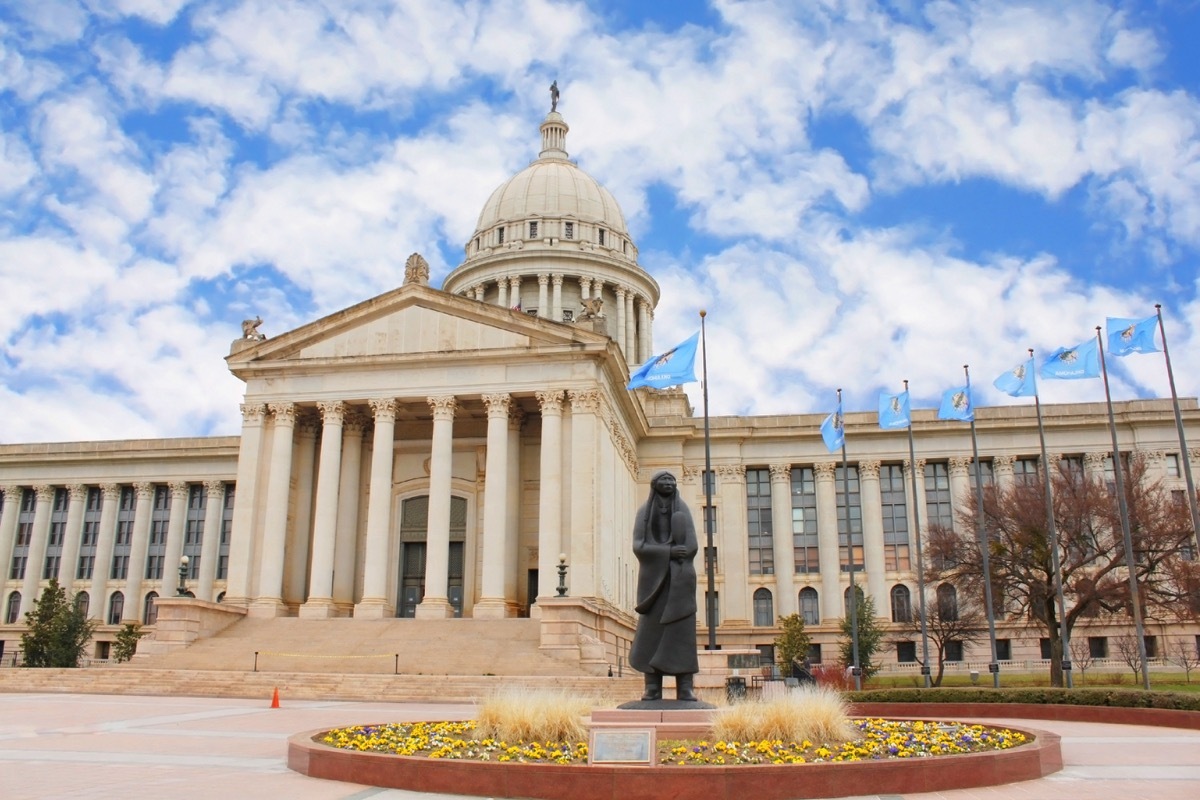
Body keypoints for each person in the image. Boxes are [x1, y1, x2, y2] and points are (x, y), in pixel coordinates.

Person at [629, 470, 700, 701]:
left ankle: (685, 686)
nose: (668, 483)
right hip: (654, 583)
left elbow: (692, 545)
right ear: (654, 484)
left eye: (671, 479)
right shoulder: (644, 513)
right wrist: (668, 551)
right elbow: (639, 546)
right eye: (664, 479)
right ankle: (652, 687)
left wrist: (681, 554)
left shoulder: (683, 511)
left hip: (680, 580)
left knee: (682, 634)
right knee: (651, 633)